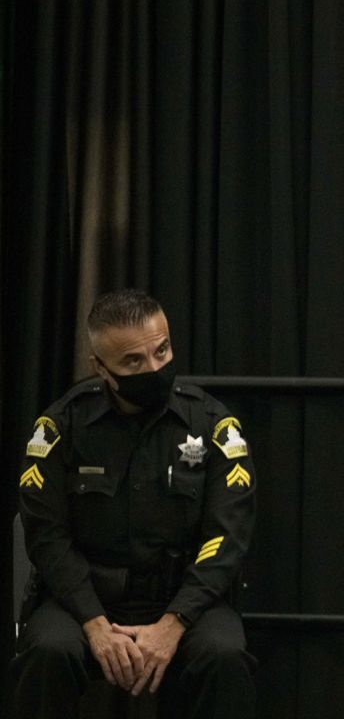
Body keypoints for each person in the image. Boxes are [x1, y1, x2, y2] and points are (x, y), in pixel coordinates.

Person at [13, 289, 256, 718]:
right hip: (85, 599)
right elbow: (47, 536)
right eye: (133, 362)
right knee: (48, 652)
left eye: (161, 351)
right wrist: (93, 622)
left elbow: (228, 535)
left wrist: (174, 622)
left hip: (184, 598)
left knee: (225, 655)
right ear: (100, 368)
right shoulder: (60, 429)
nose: (154, 368)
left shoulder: (213, 424)